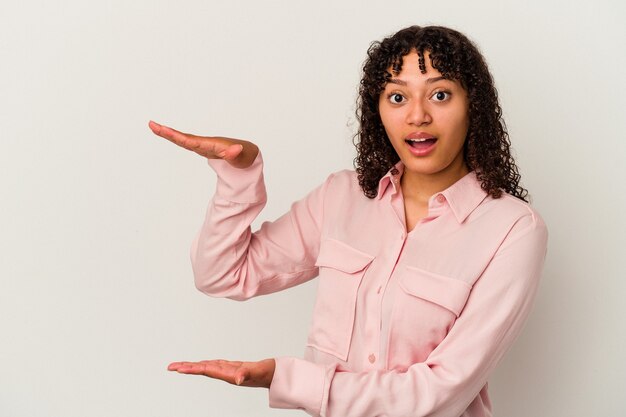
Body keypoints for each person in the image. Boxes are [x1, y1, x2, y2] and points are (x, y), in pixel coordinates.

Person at [149, 25, 548, 417]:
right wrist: (238, 177)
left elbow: (441, 395)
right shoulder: (341, 197)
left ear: (472, 106)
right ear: (378, 110)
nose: (417, 115)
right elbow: (221, 274)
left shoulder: (513, 230)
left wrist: (288, 379)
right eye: (397, 97)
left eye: (440, 95)